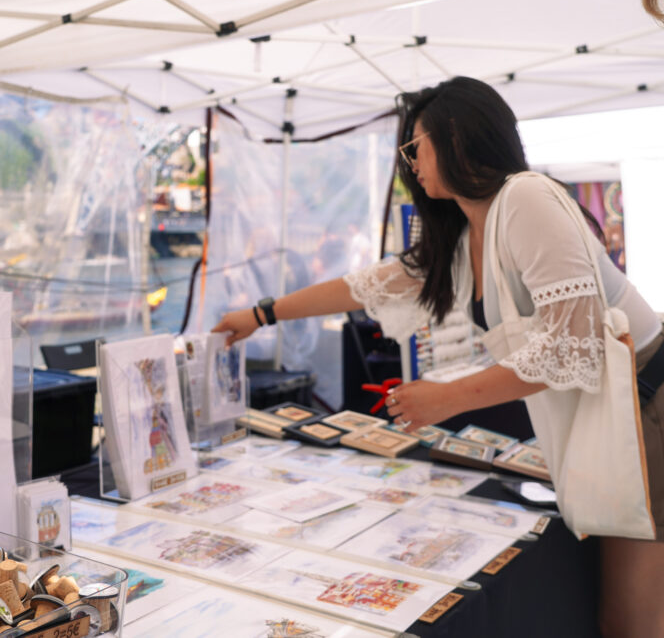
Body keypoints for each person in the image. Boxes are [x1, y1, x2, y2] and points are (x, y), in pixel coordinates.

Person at [213, 76, 664, 637]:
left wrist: (447, 398)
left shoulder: (526, 198)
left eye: (415, 146)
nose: (412, 164)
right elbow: (371, 284)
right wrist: (261, 315)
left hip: (648, 400)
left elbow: (571, 346)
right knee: (616, 603)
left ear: (455, 136)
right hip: (619, 411)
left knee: (631, 614)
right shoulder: (467, 232)